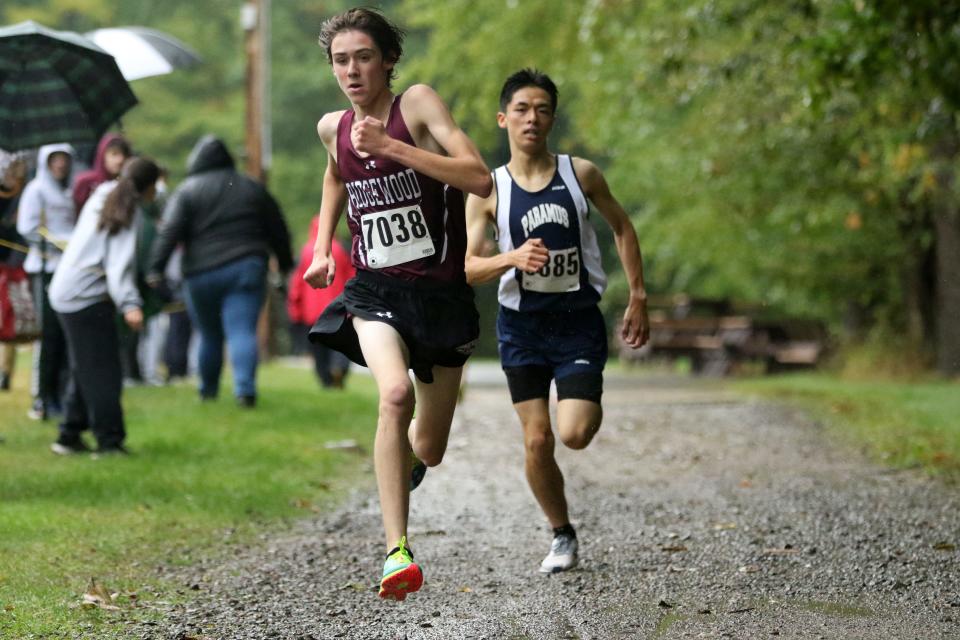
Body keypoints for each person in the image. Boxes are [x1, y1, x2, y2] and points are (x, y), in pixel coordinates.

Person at [304, 7, 492, 600]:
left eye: (363, 57)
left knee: (429, 448)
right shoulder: (332, 126)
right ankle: (396, 552)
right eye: (340, 60)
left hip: (440, 298)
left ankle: (408, 465)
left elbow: (480, 178)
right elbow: (337, 173)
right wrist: (322, 246)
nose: (352, 71)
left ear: (387, 59)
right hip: (374, 291)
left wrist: (394, 148)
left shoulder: (416, 105)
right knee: (393, 394)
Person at [464, 69, 650, 574]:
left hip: (576, 323)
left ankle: (583, 395)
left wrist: (637, 294)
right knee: (537, 439)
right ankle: (561, 532)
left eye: (543, 109)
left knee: (574, 433)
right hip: (520, 328)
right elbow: (469, 267)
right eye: (522, 109)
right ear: (504, 119)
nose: (532, 118)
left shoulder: (580, 175)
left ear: (552, 119)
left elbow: (622, 227)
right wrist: (511, 258)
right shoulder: (488, 191)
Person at [147, 135, 293, 407]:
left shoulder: (188, 190)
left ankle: (207, 391)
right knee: (241, 330)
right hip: (246, 267)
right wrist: (284, 265)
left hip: (200, 273)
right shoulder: (252, 187)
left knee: (208, 333)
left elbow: (169, 232)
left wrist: (155, 268)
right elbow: (278, 228)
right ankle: (245, 391)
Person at [47, 157, 160, 455]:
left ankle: (69, 435)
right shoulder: (127, 208)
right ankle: (109, 442)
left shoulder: (105, 193)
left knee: (85, 366)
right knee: (104, 371)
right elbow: (118, 265)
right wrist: (130, 304)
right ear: (148, 187)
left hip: (66, 291)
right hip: (85, 297)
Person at [16, 144, 76, 420]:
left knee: (64, 337)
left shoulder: (66, 192)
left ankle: (60, 394)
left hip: (66, 268)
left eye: (65, 159)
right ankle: (43, 398)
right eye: (56, 159)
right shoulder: (36, 189)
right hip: (45, 268)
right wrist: (55, 242)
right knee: (48, 336)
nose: (61, 164)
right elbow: (27, 227)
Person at [287, 217, 355, 388]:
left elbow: (297, 284)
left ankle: (325, 379)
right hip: (339, 306)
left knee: (319, 348)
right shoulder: (340, 249)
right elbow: (351, 276)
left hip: (313, 311)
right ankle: (339, 368)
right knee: (342, 342)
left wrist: (295, 308)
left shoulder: (306, 251)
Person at [0, 152, 29, 391]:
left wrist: (13, 264)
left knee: (9, 320)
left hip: (10, 266)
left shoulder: (23, 195)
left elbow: (21, 235)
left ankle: (5, 372)